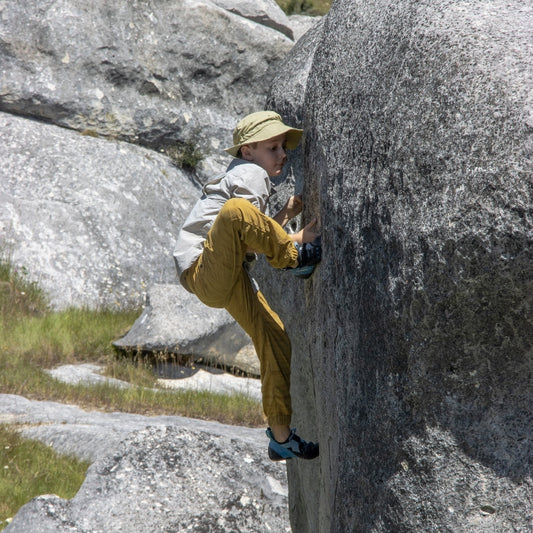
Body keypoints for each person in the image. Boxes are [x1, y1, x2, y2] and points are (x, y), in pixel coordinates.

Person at [173, 111, 321, 461]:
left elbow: (250, 240)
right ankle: (296, 257)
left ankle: (281, 436)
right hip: (203, 269)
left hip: (225, 275)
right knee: (237, 211)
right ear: (247, 151)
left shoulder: (250, 176)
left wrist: (283, 218)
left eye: (283, 147)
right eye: (272, 147)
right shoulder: (250, 173)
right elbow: (239, 221)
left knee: (274, 336)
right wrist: (295, 240)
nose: (282, 154)